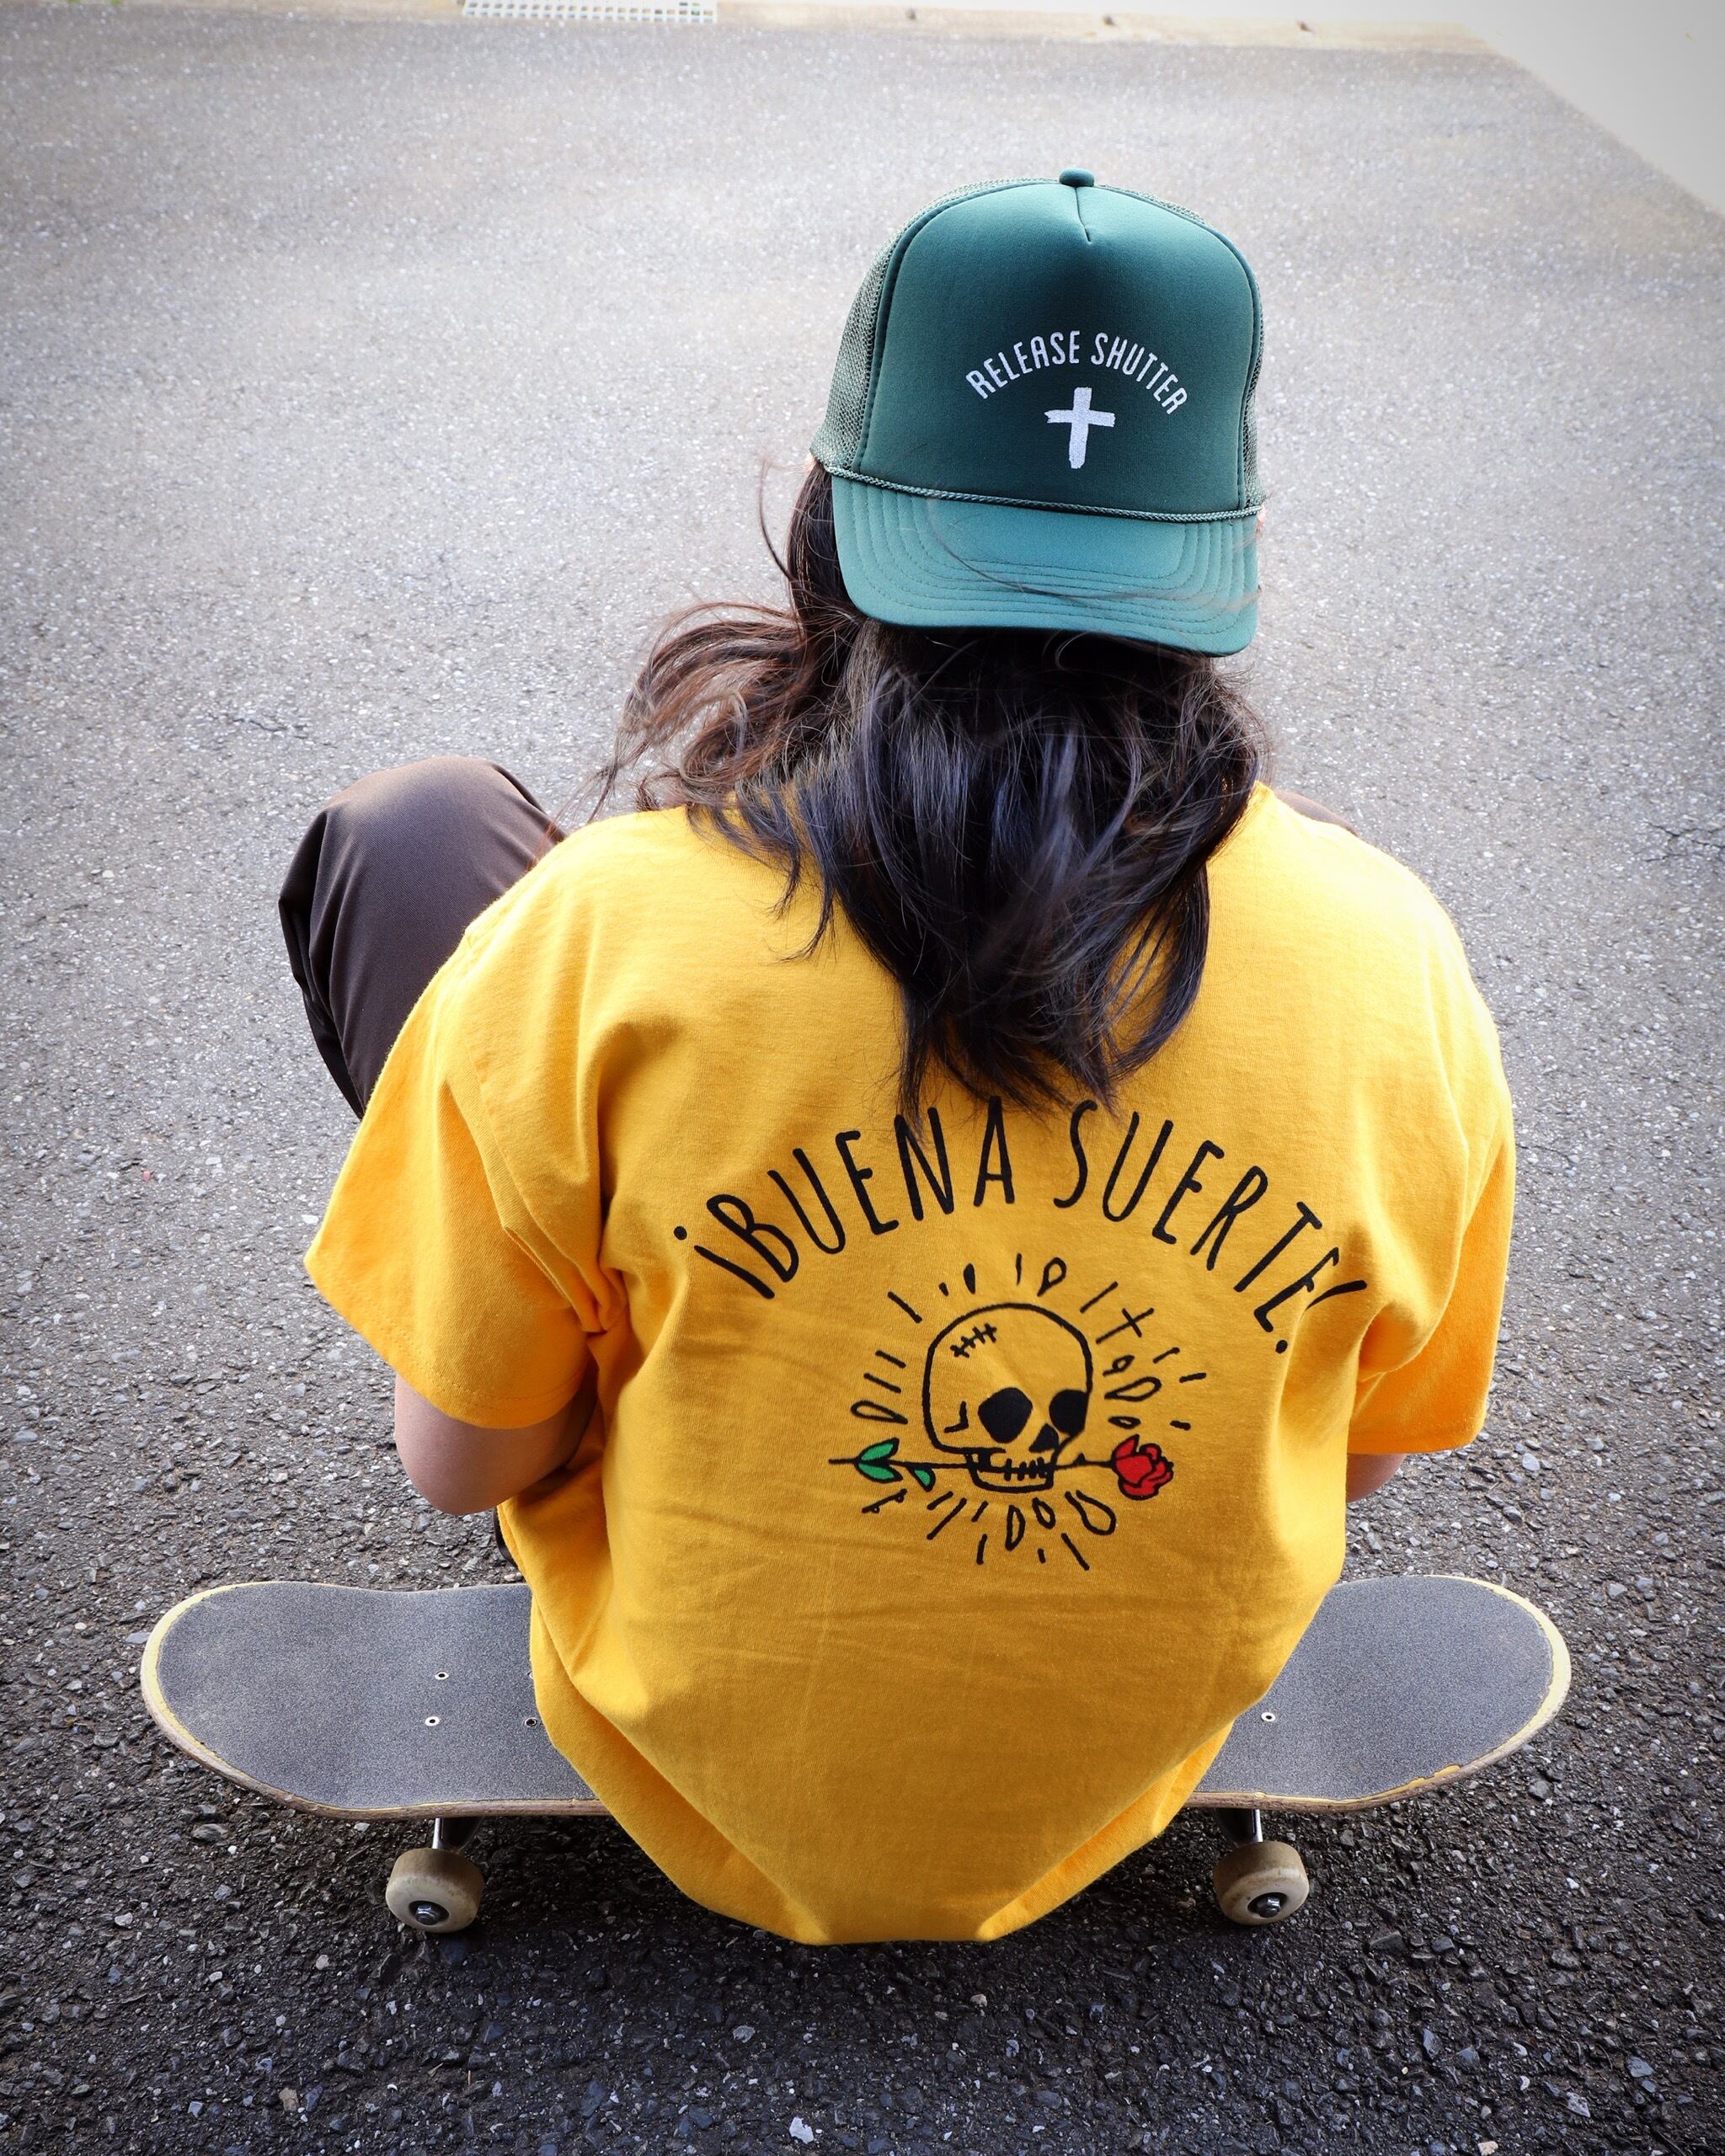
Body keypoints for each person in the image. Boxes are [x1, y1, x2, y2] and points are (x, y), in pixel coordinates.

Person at [281, 171, 1513, 1945]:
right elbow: (1359, 1452)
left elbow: (462, 1468)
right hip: (1128, 1761)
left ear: (831, 522)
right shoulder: (1388, 955)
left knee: (422, 837)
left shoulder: (601, 934)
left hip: (684, 1742)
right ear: (1213, 560)